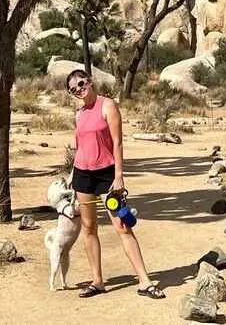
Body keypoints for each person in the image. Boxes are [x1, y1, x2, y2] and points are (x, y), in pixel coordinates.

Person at [66, 68, 165, 300]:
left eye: (81, 84)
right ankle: (97, 281)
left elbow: (118, 142)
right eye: (73, 89)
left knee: (122, 225)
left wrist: (119, 175)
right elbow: (79, 146)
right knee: (89, 228)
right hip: (83, 175)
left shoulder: (107, 105)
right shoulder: (79, 114)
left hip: (106, 175)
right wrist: (73, 175)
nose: (79, 90)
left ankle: (144, 281)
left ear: (89, 81)